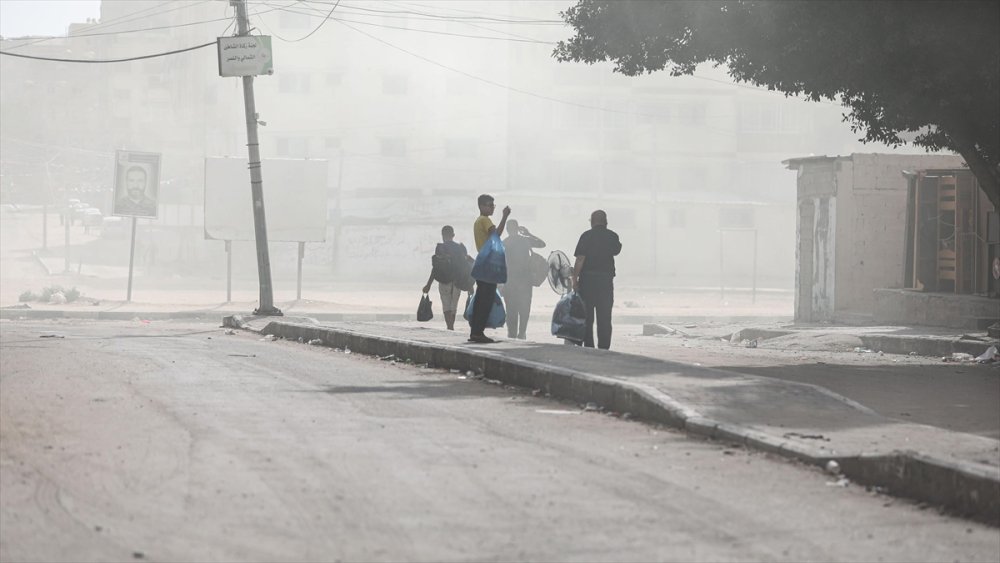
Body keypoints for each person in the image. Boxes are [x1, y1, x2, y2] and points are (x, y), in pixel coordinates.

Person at [571, 209, 622, 350]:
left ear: (592, 221)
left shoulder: (586, 236)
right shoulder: (612, 236)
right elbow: (617, 250)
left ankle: (589, 346)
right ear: (605, 221)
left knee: (587, 317)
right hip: (605, 282)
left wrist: (574, 279)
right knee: (604, 317)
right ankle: (604, 349)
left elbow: (580, 259)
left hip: (587, 281)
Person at [469, 193, 510, 343]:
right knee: (485, 300)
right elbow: (497, 235)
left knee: (481, 299)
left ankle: (475, 331)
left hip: (482, 263)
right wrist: (505, 216)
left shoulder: (478, 221)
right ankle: (478, 332)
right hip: (487, 265)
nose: (492, 208)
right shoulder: (485, 220)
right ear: (481, 206)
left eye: (493, 205)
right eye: (490, 205)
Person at [501, 219, 545, 339]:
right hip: (525, 280)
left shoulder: (504, 243)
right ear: (518, 228)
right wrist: (528, 233)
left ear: (507, 229)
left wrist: (500, 283)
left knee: (511, 309)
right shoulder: (525, 240)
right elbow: (542, 244)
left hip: (510, 281)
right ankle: (522, 333)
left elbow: (500, 263)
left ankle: (512, 334)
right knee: (525, 308)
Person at [422, 225, 470, 331]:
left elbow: (435, 268)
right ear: (453, 235)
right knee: (454, 307)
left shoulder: (440, 248)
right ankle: (451, 327)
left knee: (446, 306)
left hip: (443, 282)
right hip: (457, 281)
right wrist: (469, 285)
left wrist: (428, 284)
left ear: (442, 235)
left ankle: (450, 327)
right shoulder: (460, 247)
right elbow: (465, 267)